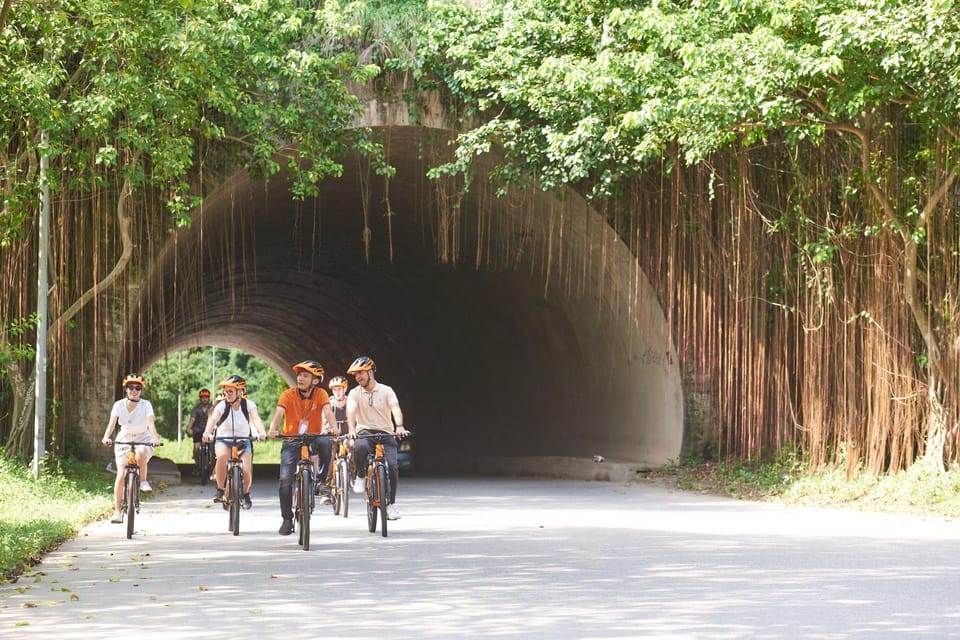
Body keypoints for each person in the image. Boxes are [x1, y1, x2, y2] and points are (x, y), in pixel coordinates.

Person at [267, 360, 340, 535]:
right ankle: (287, 518)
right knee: (285, 480)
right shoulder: (288, 394)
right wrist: (272, 428)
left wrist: (335, 428)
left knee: (325, 443)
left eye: (305, 375)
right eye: (299, 374)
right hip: (291, 439)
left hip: (313, 437)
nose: (300, 378)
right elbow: (279, 412)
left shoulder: (321, 394)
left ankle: (321, 482)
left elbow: (328, 412)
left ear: (315, 380)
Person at [345, 356, 409, 521]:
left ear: (371, 372)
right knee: (360, 447)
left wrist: (399, 426)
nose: (358, 377)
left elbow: (395, 408)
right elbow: (351, 411)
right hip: (365, 431)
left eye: (361, 373)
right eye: (356, 375)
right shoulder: (354, 393)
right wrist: (352, 429)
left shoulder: (386, 390)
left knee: (393, 466)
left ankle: (390, 505)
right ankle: (360, 475)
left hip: (386, 432)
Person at [101, 373, 161, 524]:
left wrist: (155, 438)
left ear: (141, 390)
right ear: (126, 389)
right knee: (121, 475)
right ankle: (117, 512)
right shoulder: (118, 405)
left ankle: (143, 481)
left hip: (143, 437)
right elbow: (112, 423)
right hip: (125, 439)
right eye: (131, 387)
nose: (134, 390)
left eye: (138, 388)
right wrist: (106, 437)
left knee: (141, 452)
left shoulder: (146, 405)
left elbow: (151, 424)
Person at [202, 375, 266, 510]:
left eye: (230, 391)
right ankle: (220, 489)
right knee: (222, 457)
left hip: (243, 441)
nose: (227, 394)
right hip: (224, 440)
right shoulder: (222, 406)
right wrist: (207, 433)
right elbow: (213, 420)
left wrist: (261, 433)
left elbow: (256, 419)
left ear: (240, 392)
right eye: (226, 391)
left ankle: (246, 494)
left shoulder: (249, 405)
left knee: (247, 470)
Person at [185, 388, 213, 471]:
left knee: (212, 449)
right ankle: (197, 463)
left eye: (206, 397)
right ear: (200, 398)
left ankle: (210, 464)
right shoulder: (196, 408)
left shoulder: (212, 407)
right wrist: (189, 428)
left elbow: (216, 418)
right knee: (197, 447)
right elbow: (192, 419)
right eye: (203, 397)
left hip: (209, 431)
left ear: (209, 398)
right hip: (198, 430)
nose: (204, 399)